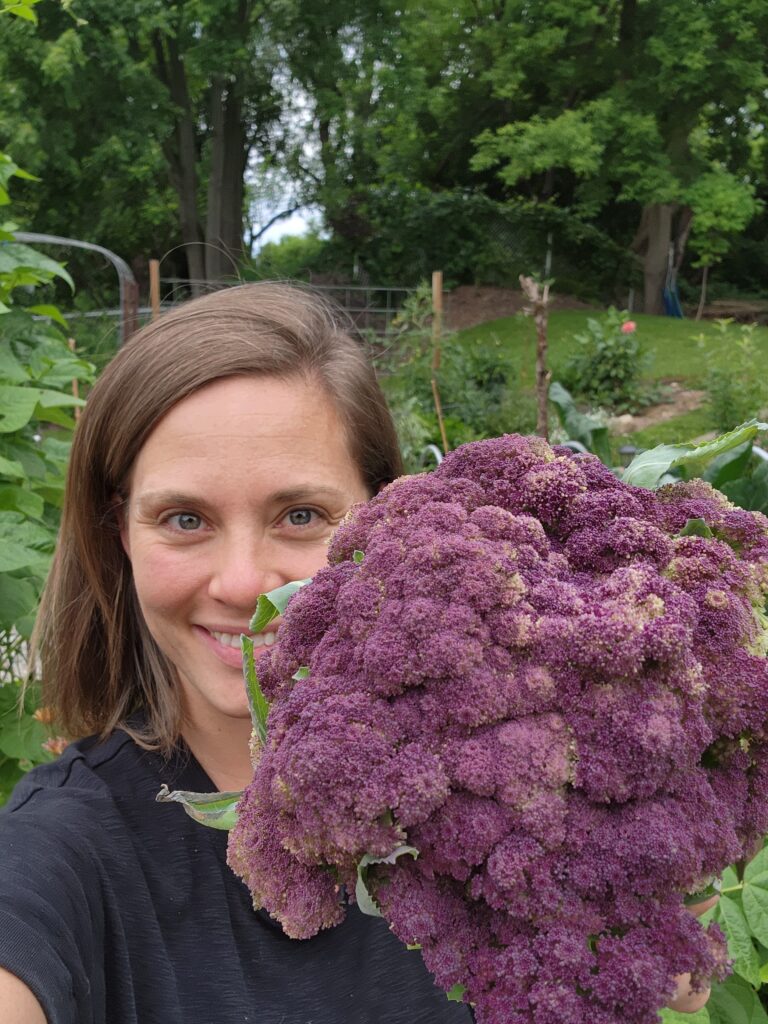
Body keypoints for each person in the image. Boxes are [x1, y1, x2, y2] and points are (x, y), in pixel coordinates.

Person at [0, 283, 712, 1023]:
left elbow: (677, 982)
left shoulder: (527, 773)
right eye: (185, 519)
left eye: (300, 515)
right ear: (119, 534)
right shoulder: (63, 852)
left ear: (390, 513)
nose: (245, 583)